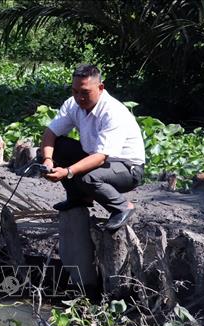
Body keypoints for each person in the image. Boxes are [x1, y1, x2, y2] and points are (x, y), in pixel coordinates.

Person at [40, 64, 145, 230]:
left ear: (100, 87)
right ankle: (79, 199)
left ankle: (122, 207)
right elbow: (50, 133)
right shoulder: (72, 105)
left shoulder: (112, 111)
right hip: (96, 158)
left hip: (127, 168)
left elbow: (101, 156)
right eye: (75, 91)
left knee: (87, 177)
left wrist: (67, 171)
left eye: (85, 93)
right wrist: (47, 160)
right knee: (56, 147)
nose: (79, 97)